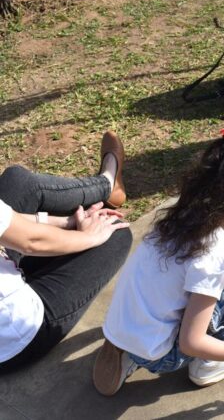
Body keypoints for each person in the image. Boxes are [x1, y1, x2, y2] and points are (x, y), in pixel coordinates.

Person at [93, 123, 224, 396]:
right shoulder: (216, 255)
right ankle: (209, 364)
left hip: (123, 326)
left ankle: (129, 350)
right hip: (164, 356)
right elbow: (191, 342)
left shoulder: (179, 218)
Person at [0, 131, 132, 372]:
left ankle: (107, 185)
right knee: (114, 230)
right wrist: (87, 236)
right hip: (15, 334)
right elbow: (32, 242)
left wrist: (68, 223)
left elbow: (10, 224)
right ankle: (107, 183)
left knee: (17, 182)